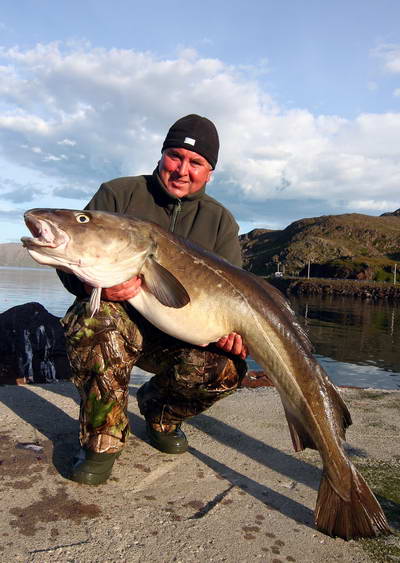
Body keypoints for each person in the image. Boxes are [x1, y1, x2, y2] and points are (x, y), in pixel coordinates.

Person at [58, 114, 248, 485]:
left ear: (210, 172)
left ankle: (161, 412)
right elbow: (75, 257)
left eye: (196, 163)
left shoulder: (221, 222)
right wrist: (93, 287)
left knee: (225, 369)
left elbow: (236, 295)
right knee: (93, 320)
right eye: (175, 156)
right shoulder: (118, 194)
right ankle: (102, 440)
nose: (182, 170)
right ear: (161, 156)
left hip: (177, 338)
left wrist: (236, 338)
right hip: (120, 324)